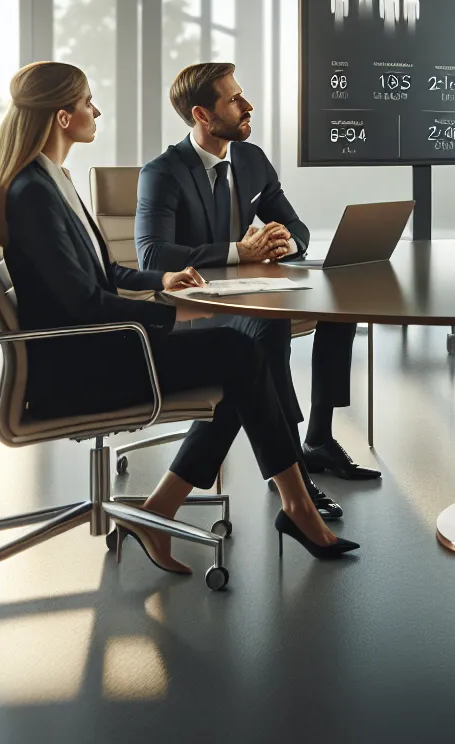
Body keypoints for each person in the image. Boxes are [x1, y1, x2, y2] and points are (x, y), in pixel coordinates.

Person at [0, 61, 358, 568]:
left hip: (95, 345)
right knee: (238, 355)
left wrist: (162, 283)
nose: (95, 110)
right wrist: (176, 315)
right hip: (75, 365)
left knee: (237, 361)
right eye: (87, 101)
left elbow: (105, 275)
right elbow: (84, 304)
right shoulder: (35, 195)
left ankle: (177, 509)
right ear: (61, 117)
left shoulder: (53, 182)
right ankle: (292, 504)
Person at [136, 62, 380, 494]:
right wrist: (239, 252)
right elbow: (152, 254)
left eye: (242, 94)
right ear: (202, 115)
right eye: (233, 100)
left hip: (249, 291)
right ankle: (288, 465)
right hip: (199, 304)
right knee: (267, 325)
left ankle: (319, 438)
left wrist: (287, 243)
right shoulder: (163, 172)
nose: (248, 106)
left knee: (340, 304)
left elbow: (297, 227)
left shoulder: (251, 159)